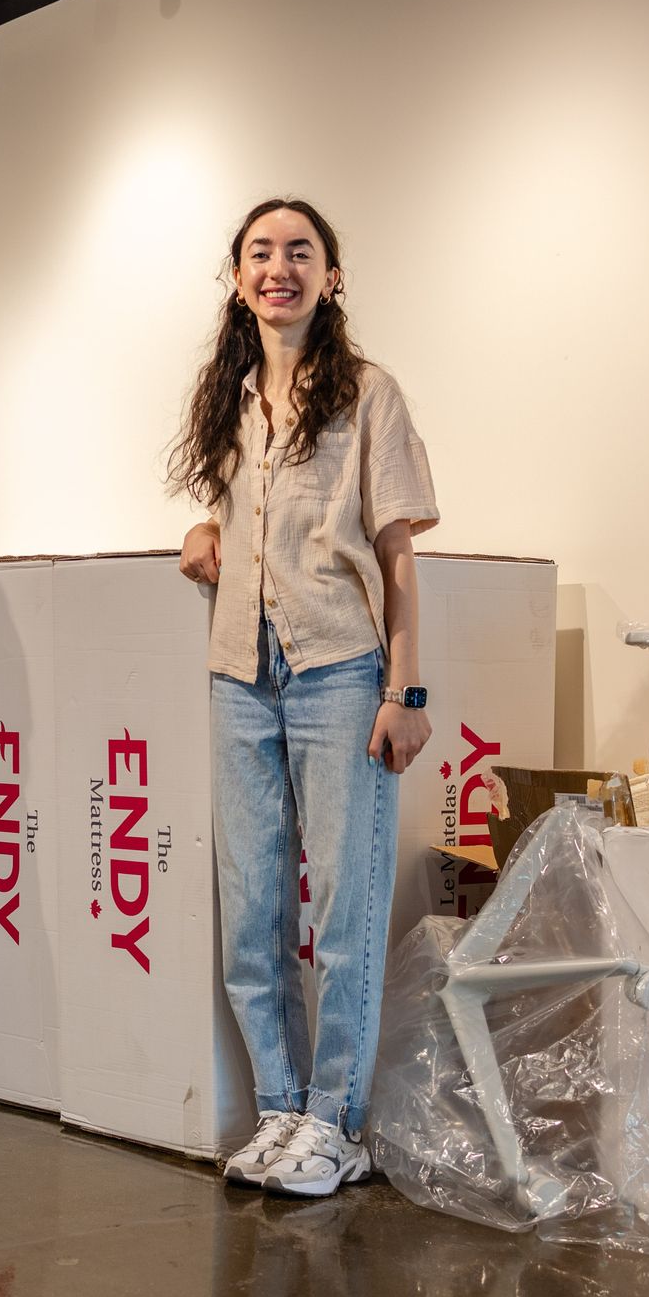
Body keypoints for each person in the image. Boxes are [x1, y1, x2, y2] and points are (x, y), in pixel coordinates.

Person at [171, 199, 440, 1197]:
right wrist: (206, 534)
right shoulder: (234, 399)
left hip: (339, 674)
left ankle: (338, 1123)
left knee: (344, 914)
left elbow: (398, 557)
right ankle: (282, 1111)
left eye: (300, 252)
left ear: (331, 275)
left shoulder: (370, 393)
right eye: (260, 252)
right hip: (239, 675)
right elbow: (240, 519)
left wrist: (406, 689)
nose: (278, 267)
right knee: (250, 915)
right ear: (236, 277)